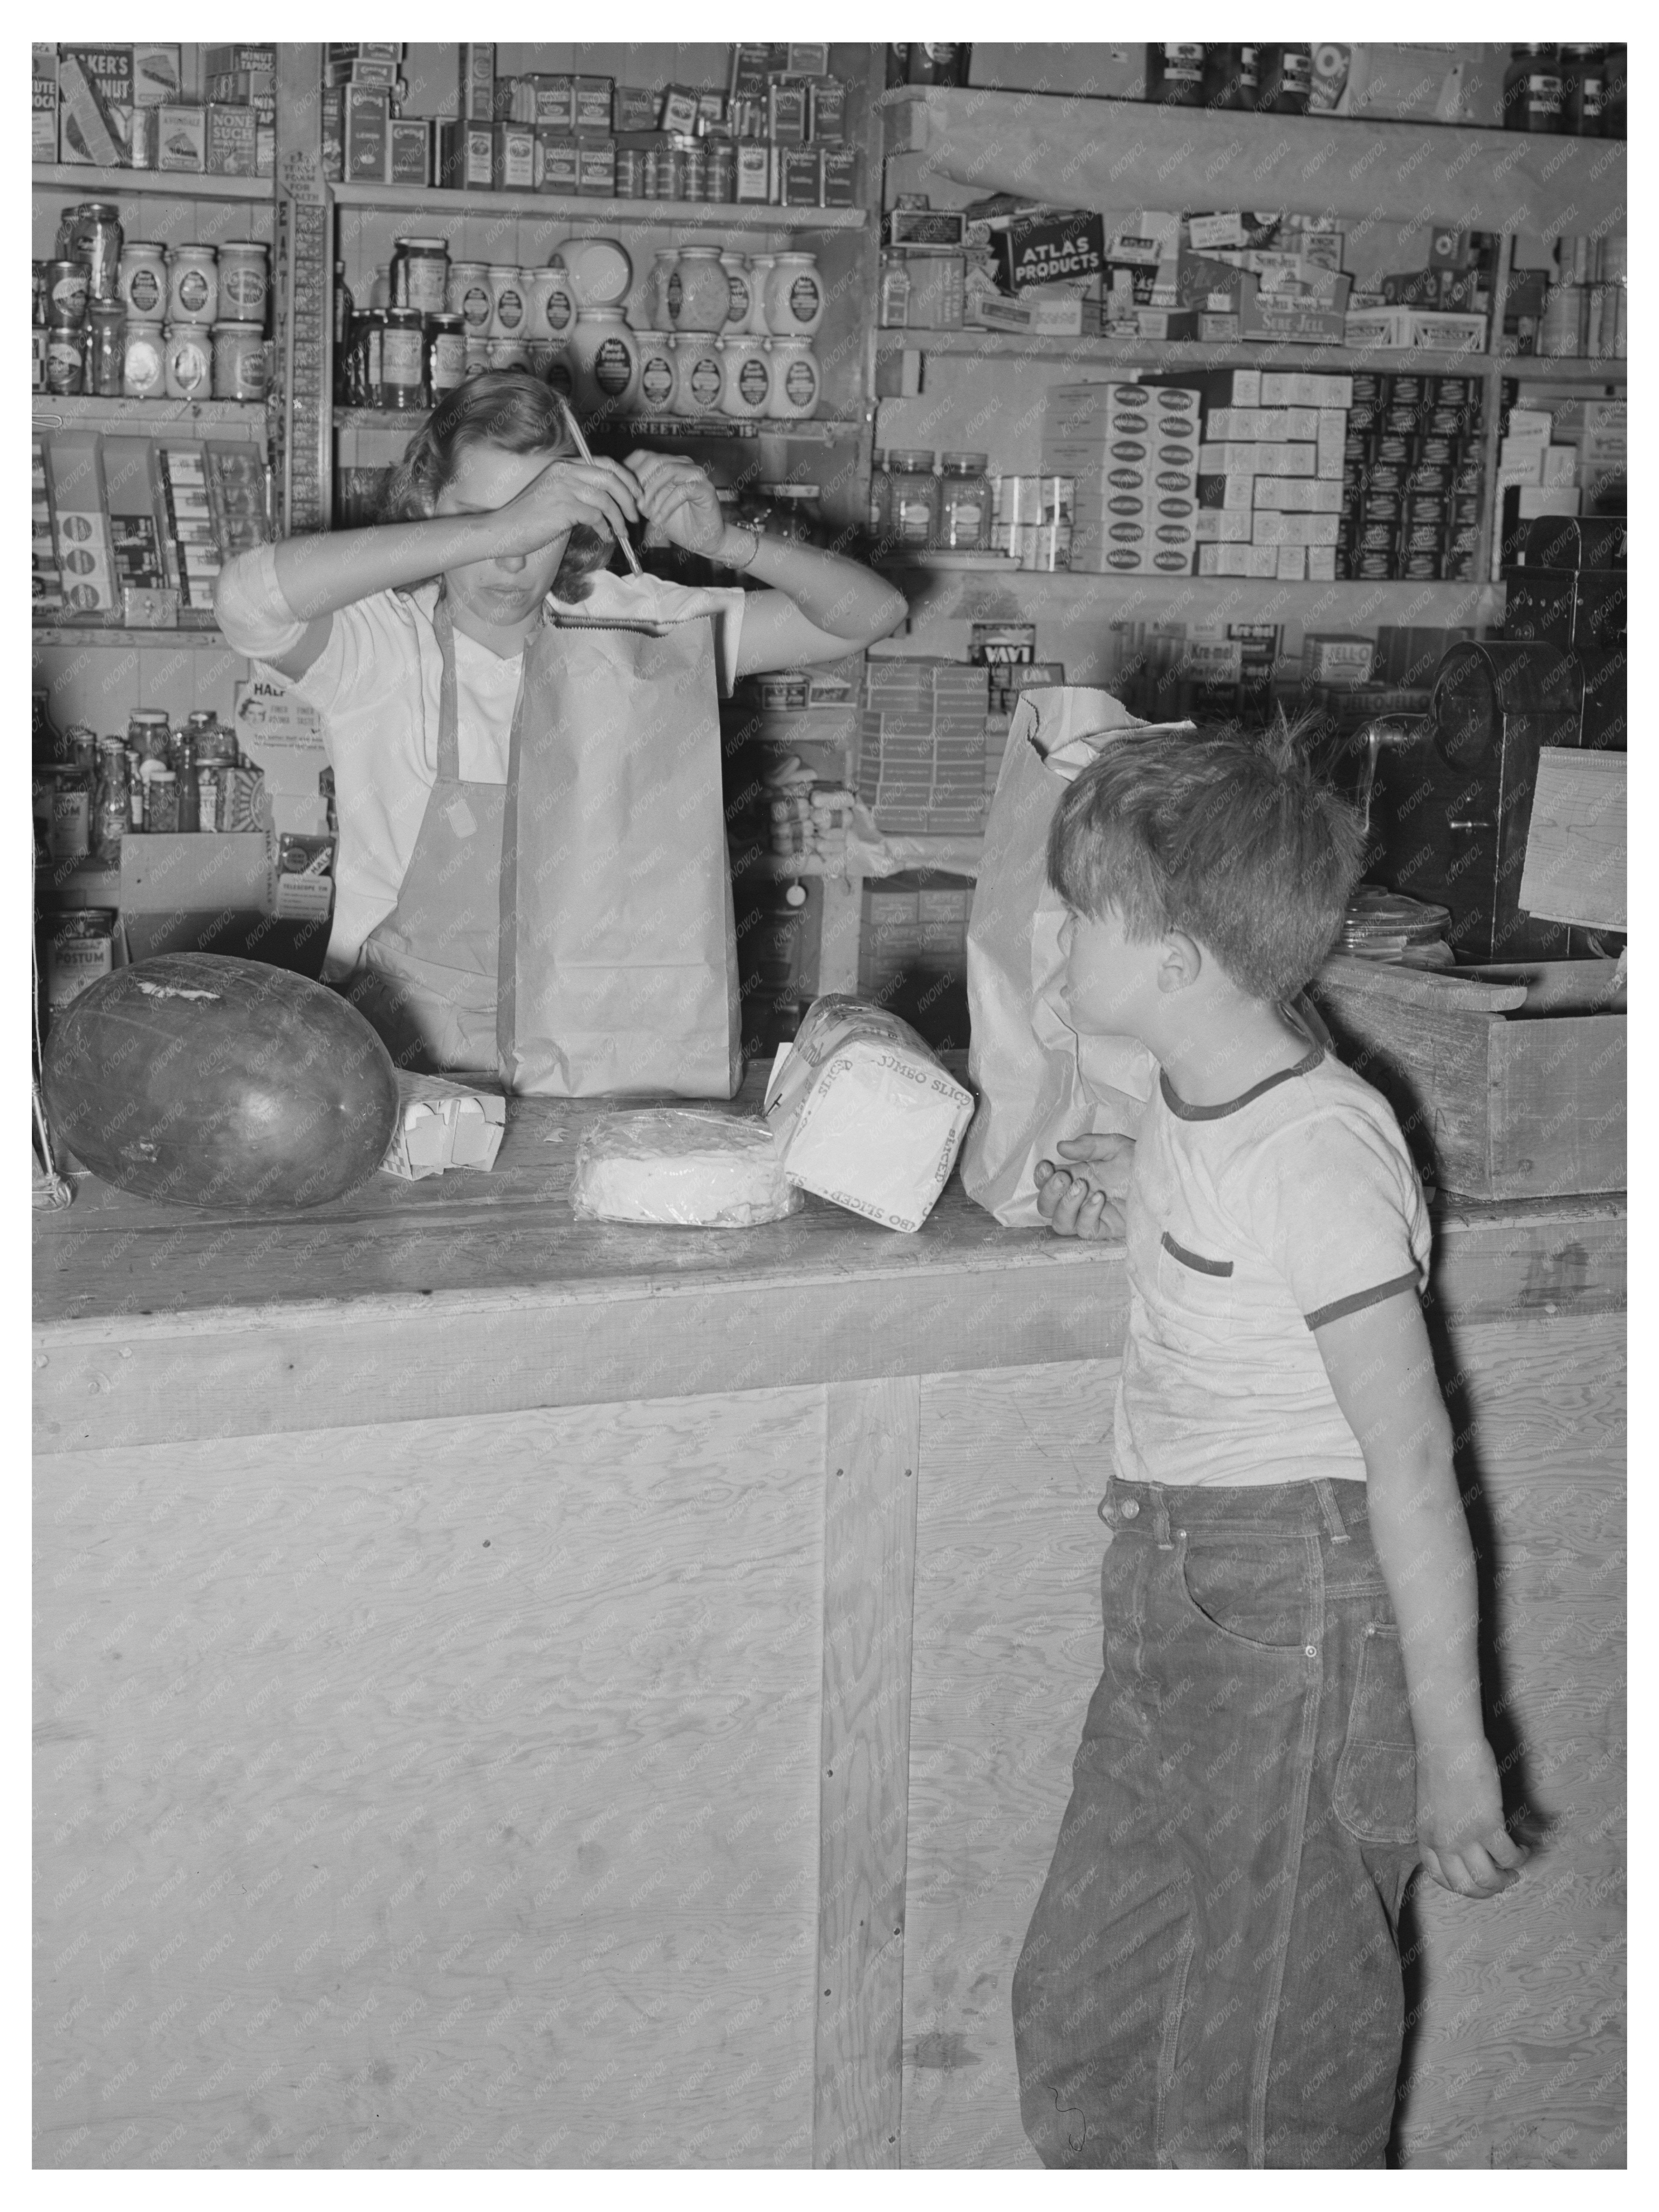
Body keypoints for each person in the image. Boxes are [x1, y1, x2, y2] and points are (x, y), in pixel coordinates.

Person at [1010, 716, 1528, 2169]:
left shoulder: (1317, 1151)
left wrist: (1452, 1746)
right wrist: (1137, 1190)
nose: (1053, 940)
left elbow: (1415, 1466)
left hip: (1297, 1607)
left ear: (1175, 960)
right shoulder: (1204, 1086)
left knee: (1270, 2076)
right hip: (1177, 1597)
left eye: (1079, 917)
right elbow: (1224, 1219)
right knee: (1091, 2014)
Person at [215, 372, 905, 1067]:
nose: (511, 557)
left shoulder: (626, 630)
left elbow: (869, 618)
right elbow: (246, 601)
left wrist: (730, 544)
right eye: (485, 518)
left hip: (592, 1035)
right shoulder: (379, 644)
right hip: (402, 1043)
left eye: (541, 526)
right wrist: (500, 526)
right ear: (430, 502)